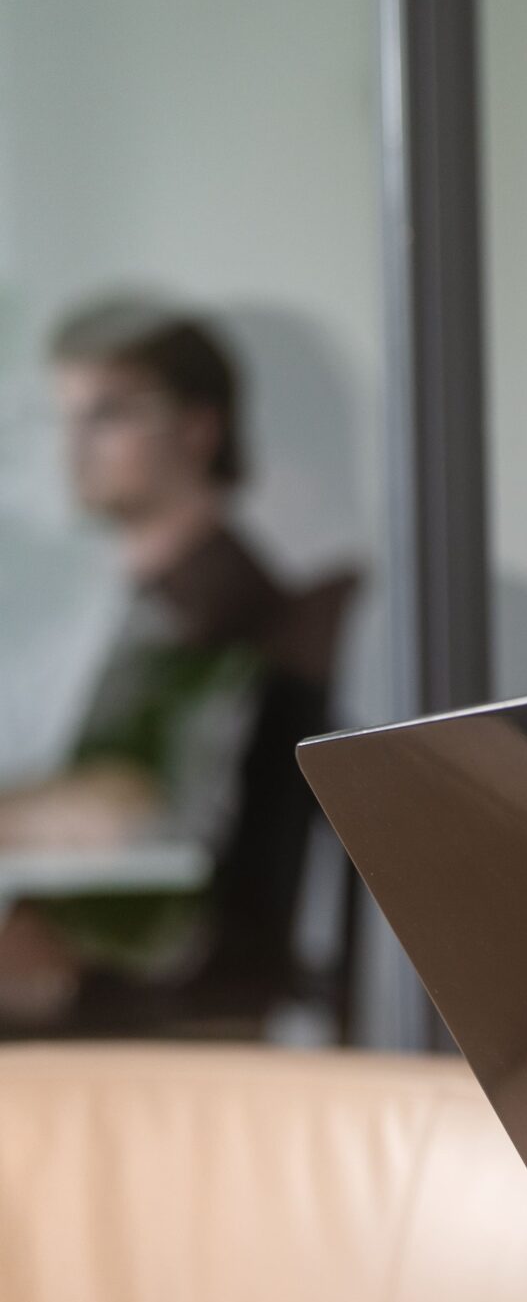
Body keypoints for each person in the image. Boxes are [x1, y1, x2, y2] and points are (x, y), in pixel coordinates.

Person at [0, 298, 327, 1027]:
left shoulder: (222, 617)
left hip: (166, 1000)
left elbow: (146, 812)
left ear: (198, 429)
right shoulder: (119, 609)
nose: (74, 446)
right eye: (64, 417)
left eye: (109, 414)